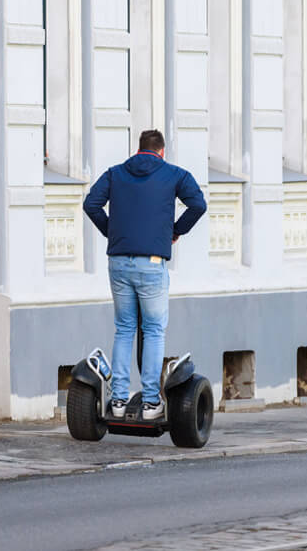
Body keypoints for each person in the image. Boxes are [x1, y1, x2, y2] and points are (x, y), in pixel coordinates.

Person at [83, 130, 206, 420]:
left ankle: (118, 401)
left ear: (138, 149)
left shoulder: (115, 173)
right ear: (162, 151)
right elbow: (198, 205)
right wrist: (175, 231)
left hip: (118, 262)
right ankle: (151, 403)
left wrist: (112, 231)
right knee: (152, 330)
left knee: (124, 329)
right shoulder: (175, 174)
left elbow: (91, 205)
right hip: (151, 263)